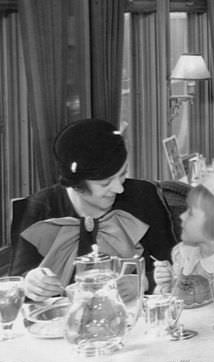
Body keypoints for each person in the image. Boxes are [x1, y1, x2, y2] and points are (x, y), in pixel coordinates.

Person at [11, 118, 175, 299]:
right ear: (76, 185)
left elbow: (169, 265)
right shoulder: (40, 208)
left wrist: (143, 282)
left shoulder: (144, 196)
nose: (119, 188)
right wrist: (31, 283)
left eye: (122, 175)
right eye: (105, 183)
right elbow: (19, 280)